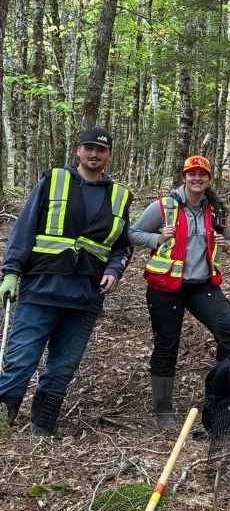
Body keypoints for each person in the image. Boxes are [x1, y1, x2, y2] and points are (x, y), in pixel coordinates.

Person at [0, 127, 131, 438]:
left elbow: (122, 245)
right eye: (89, 148)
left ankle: (43, 427)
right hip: (41, 289)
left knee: (62, 369)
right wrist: (10, 272)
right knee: (20, 359)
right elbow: (25, 228)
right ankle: (4, 423)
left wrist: (115, 269)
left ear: (109, 155)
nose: (94, 154)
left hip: (86, 297)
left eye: (101, 150)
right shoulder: (53, 180)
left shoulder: (119, 196)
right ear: (78, 151)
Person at [129, 155, 230, 429]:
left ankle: (219, 402)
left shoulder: (214, 209)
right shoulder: (164, 206)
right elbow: (132, 233)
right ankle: (163, 410)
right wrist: (158, 238)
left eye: (202, 174)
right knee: (167, 345)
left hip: (202, 285)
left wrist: (223, 242)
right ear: (184, 177)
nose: (197, 179)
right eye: (192, 174)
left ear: (209, 178)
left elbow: (228, 239)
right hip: (165, 286)